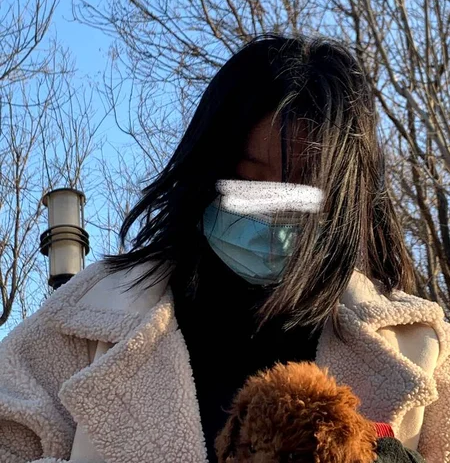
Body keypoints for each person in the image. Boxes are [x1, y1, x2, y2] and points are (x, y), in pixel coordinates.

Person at [0, 33, 448, 463]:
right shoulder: (81, 316)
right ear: (205, 171)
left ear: (347, 200)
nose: (271, 207)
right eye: (249, 181)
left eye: (301, 190)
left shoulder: (423, 347)